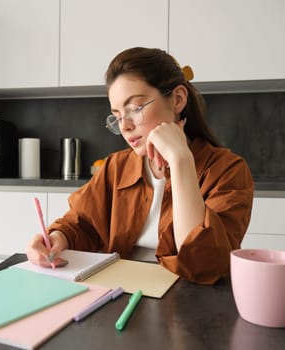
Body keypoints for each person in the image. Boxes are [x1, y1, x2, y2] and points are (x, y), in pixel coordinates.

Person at [26, 47, 254, 285]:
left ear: (177, 99)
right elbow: (81, 224)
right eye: (117, 115)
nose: (125, 126)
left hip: (189, 302)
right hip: (118, 295)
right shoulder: (116, 166)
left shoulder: (229, 170)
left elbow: (205, 265)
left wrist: (180, 161)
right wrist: (56, 238)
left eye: (136, 107)